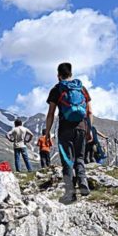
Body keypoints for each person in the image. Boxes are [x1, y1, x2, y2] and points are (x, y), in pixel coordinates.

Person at [44, 62, 93, 204]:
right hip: (81, 127)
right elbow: (89, 111)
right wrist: (89, 130)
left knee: (67, 161)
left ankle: (70, 192)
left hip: (65, 129)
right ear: (71, 74)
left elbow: (51, 113)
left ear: (58, 75)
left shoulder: (56, 89)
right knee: (79, 158)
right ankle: (83, 182)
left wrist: (47, 133)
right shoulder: (81, 88)